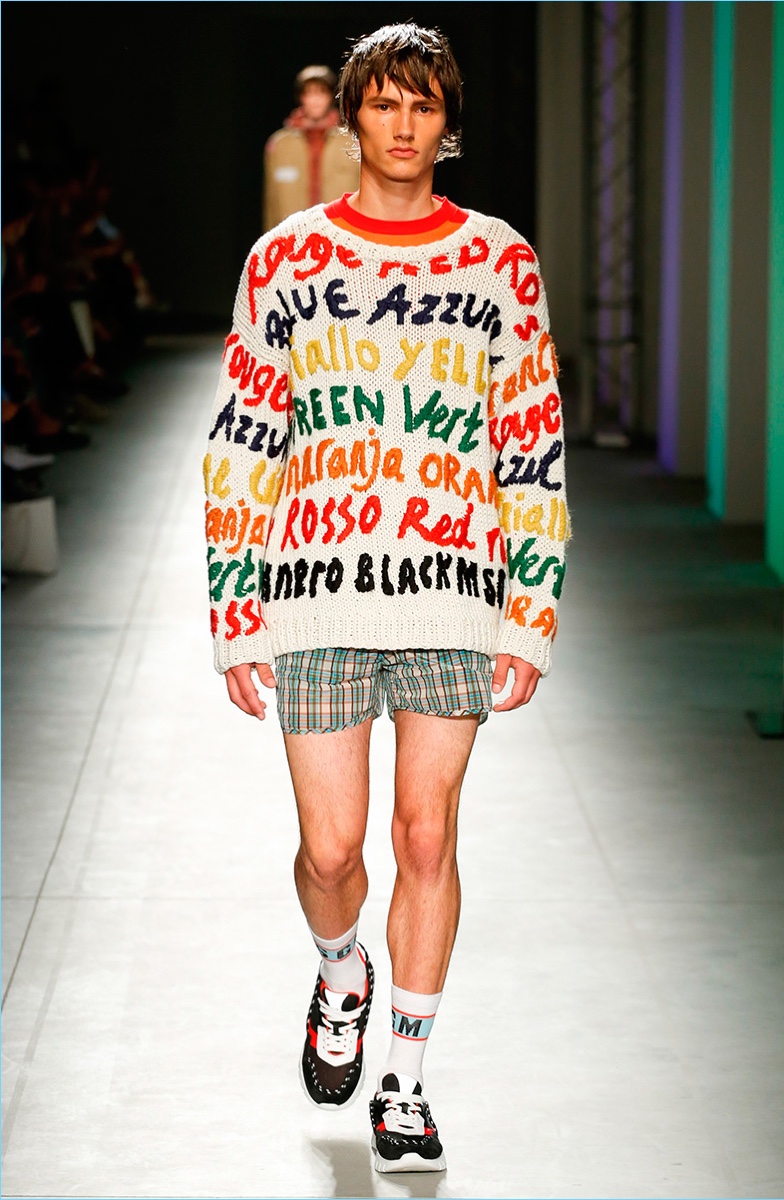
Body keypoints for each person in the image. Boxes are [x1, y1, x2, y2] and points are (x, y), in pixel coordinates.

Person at [205, 21, 569, 1174]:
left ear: (444, 122)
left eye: (423, 106)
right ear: (353, 116)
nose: (403, 125)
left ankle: (404, 1084)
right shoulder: (287, 260)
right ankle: (339, 971)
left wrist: (531, 611)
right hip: (313, 590)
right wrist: (233, 607)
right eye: (384, 103)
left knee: (425, 834)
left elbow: (531, 442)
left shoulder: (499, 260)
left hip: (453, 588)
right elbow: (244, 437)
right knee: (329, 852)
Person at [263, 64, 360, 232]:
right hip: (292, 234)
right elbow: (271, 201)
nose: (315, 100)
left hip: (341, 233)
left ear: (330, 97)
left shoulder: (351, 142)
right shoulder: (280, 145)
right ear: (301, 98)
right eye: (309, 93)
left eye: (321, 93)